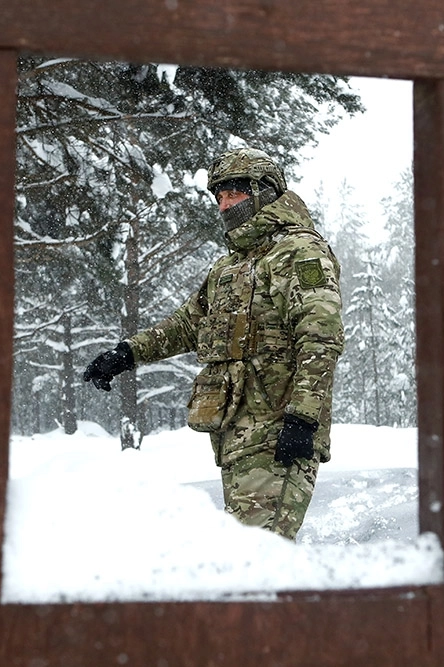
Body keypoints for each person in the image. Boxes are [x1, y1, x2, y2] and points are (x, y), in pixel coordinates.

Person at [83, 147, 344, 540]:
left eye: (233, 194)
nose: (224, 205)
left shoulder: (297, 250)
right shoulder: (230, 266)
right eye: (219, 196)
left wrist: (303, 417)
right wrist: (127, 352)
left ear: (263, 192)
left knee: (260, 559)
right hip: (235, 433)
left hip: (278, 431)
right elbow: (189, 324)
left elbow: (321, 335)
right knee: (248, 556)